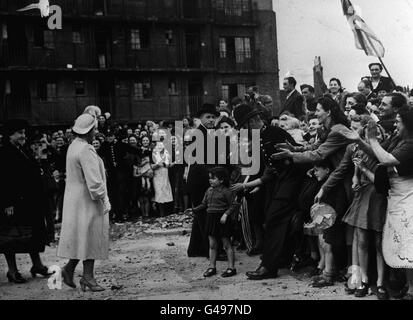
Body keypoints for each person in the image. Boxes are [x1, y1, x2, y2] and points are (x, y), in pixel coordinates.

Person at [231, 103, 303, 280]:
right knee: (270, 219)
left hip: (291, 181)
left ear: (253, 121)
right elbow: (267, 167)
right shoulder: (259, 137)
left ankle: (268, 267)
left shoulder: (275, 133)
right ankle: (280, 259)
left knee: (273, 220)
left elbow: (296, 158)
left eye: (244, 126)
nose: (243, 131)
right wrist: (259, 184)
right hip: (277, 182)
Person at [57, 113, 111, 291]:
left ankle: (71, 269)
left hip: (75, 199)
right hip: (88, 199)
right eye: (94, 128)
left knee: (83, 237)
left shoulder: (73, 146)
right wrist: (103, 198)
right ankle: (87, 277)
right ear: (89, 130)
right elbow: (94, 181)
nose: (96, 132)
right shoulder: (86, 149)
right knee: (91, 236)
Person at [0, 119, 52, 283]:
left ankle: (37, 265)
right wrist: (7, 202)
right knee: (12, 236)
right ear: (10, 135)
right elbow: (3, 180)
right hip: (14, 202)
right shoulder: (4, 152)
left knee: (32, 234)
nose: (23, 136)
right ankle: (12, 270)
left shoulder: (23, 149)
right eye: (19, 133)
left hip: (29, 201)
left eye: (23, 132)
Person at [186, 167, 237, 278]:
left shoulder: (226, 191)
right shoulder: (209, 190)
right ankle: (212, 267)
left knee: (226, 244)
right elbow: (204, 204)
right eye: (210, 178)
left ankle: (231, 267)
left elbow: (234, 205)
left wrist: (226, 214)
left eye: (213, 178)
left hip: (222, 220)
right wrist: (194, 210)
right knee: (212, 245)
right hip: (211, 219)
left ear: (222, 180)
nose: (210, 180)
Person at [187, 103, 220, 258]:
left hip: (205, 177)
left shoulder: (210, 133)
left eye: (213, 117)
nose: (211, 120)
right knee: (204, 214)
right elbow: (198, 161)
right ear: (200, 118)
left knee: (201, 213)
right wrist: (213, 174)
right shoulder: (197, 134)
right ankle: (209, 250)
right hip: (199, 179)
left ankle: (195, 249)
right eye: (208, 117)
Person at [151, 140, 173, 217]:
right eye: (158, 145)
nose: (160, 146)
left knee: (166, 193)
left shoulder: (167, 153)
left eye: (161, 145)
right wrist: (158, 164)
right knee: (158, 193)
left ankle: (167, 213)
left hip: (165, 175)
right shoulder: (154, 153)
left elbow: (169, 164)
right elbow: (151, 166)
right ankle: (160, 214)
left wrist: (171, 164)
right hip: (157, 175)